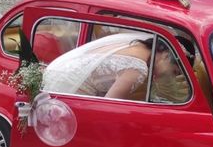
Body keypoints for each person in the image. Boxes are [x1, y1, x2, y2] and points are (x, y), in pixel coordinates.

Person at [42, 33, 174, 99]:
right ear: (166, 56)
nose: (169, 75)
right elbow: (109, 104)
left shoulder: (136, 45)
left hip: (59, 72)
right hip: (68, 89)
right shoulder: (138, 68)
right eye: (174, 71)